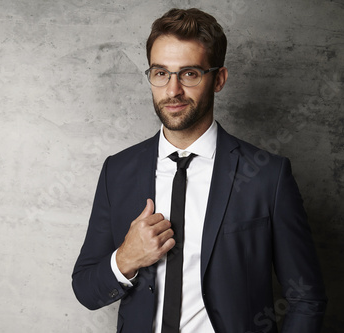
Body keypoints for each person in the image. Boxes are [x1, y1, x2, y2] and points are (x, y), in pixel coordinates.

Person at [72, 8, 327, 333]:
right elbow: (86, 290)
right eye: (161, 73)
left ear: (218, 79)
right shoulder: (117, 171)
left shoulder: (267, 176)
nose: (173, 90)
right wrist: (126, 258)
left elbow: (307, 297)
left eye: (189, 73)